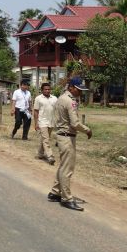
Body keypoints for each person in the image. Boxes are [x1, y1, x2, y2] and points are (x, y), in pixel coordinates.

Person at [48, 77, 92, 211]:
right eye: (78, 90)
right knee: (67, 169)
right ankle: (66, 198)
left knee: (63, 166)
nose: (80, 93)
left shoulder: (61, 98)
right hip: (67, 137)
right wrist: (87, 130)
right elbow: (75, 123)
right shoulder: (70, 101)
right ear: (71, 87)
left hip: (61, 136)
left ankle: (55, 192)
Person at [33, 82, 58, 165]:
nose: (47, 91)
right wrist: (36, 123)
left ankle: (40, 154)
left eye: (48, 89)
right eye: (45, 89)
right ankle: (50, 156)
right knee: (46, 139)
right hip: (42, 121)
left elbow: (57, 109)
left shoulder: (54, 98)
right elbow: (36, 111)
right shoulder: (38, 98)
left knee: (44, 139)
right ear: (42, 90)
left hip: (51, 121)